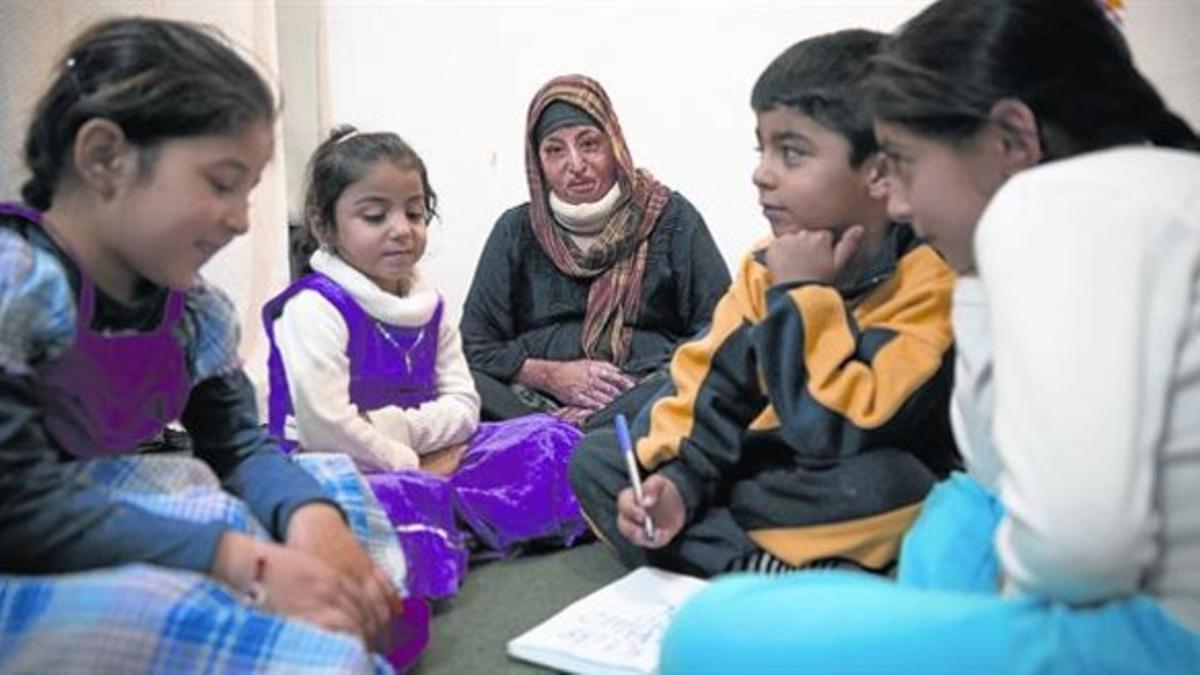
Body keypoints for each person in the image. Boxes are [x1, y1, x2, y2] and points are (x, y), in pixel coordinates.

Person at [660, 1, 1200, 672]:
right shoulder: (1122, 193)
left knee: (708, 631)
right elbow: (992, 470)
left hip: (1160, 632)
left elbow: (1081, 547)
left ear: (1011, 139)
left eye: (905, 164)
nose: (901, 203)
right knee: (957, 509)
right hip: (1057, 546)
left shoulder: (1054, 206)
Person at [0, 17, 426, 673]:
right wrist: (241, 558)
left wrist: (310, 518)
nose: (242, 217)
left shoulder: (192, 312)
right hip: (31, 539)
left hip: (120, 502)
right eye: (223, 182)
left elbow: (237, 445)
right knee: (165, 590)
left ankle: (301, 627)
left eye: (250, 190)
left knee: (327, 483)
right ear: (103, 157)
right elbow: (22, 509)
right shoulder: (17, 282)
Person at [569, 30, 959, 578]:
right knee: (601, 460)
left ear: (879, 172)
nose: (761, 173)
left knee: (896, 489)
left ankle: (719, 554)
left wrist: (803, 295)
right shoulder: (763, 262)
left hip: (844, 469)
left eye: (792, 153)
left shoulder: (928, 279)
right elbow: (710, 390)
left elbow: (841, 428)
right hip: (761, 462)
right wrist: (678, 484)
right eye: (762, 148)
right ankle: (755, 564)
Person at [264, 127, 587, 601]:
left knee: (553, 439)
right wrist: (411, 460)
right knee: (392, 498)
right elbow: (327, 428)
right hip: (338, 464)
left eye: (414, 212)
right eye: (375, 216)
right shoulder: (314, 308)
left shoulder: (428, 304)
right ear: (324, 224)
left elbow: (463, 403)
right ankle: (453, 522)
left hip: (430, 453)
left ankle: (447, 523)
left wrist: (409, 436)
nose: (401, 228)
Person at [460, 74, 730, 430]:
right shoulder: (516, 231)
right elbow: (475, 343)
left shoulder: (671, 219)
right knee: (463, 383)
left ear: (614, 145)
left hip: (645, 393)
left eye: (589, 144)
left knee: (697, 379)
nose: (575, 164)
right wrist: (550, 375)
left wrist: (638, 389)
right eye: (555, 150)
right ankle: (575, 433)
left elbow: (720, 327)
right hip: (534, 404)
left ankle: (594, 430)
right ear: (537, 161)